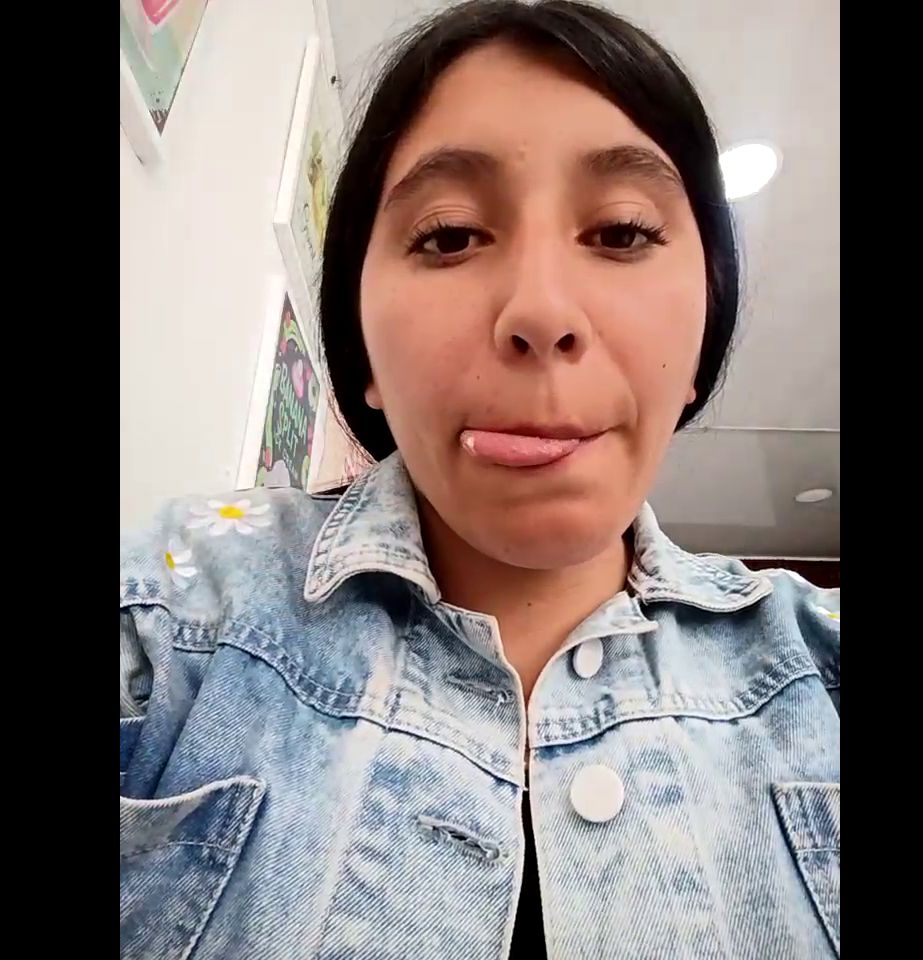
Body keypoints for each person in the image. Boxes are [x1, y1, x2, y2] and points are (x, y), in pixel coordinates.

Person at [119, 2, 840, 958]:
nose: (540, 311)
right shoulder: (176, 614)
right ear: (362, 351)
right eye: (451, 236)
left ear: (702, 335)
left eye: (623, 232)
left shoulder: (819, 667)